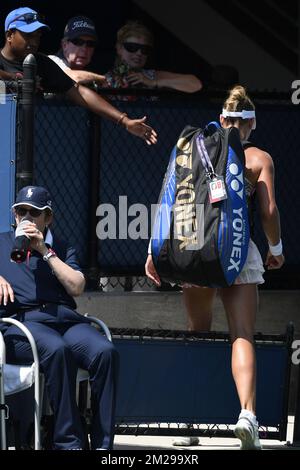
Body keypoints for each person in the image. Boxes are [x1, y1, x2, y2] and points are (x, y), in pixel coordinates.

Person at [145, 85, 285, 450]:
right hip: (237, 252)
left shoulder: (191, 147)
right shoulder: (258, 158)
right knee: (242, 333)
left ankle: (190, 420)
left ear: (221, 120)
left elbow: (168, 200)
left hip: (195, 251)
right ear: (251, 122)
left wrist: (154, 250)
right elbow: (268, 212)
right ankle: (247, 416)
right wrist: (277, 248)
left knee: (198, 331)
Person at [0, 185, 119, 450]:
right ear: (14, 214)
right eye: (21, 212)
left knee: (105, 352)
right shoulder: (2, 243)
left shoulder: (62, 247)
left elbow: (77, 286)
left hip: (65, 321)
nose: (27, 218)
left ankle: (103, 445)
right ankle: (69, 442)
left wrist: (45, 251)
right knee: (57, 350)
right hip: (24, 323)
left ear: (48, 218)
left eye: (34, 212)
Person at [0, 7, 157, 146]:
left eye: (37, 36)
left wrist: (124, 120)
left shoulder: (41, 63)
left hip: (29, 148)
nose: (34, 42)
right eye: (28, 35)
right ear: (9, 35)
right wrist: (15, 80)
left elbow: (78, 91)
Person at [103, 20, 202, 100]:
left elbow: (195, 84)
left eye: (145, 49)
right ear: (119, 48)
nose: (139, 53)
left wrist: (154, 83)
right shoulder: (105, 80)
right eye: (132, 47)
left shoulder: (151, 76)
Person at [48, 15, 106, 86]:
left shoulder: (89, 74)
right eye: (78, 42)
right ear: (64, 45)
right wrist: (101, 79)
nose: (84, 49)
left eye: (90, 43)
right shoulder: (52, 60)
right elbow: (73, 77)